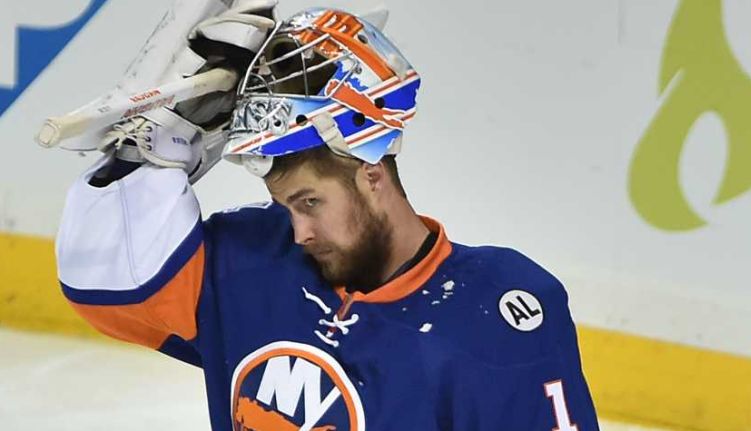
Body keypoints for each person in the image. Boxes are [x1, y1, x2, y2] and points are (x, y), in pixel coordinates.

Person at [56, 3, 599, 430]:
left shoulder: (494, 310)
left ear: (371, 173)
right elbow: (103, 283)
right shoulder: (255, 261)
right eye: (285, 206)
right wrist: (161, 149)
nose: (299, 232)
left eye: (310, 202)